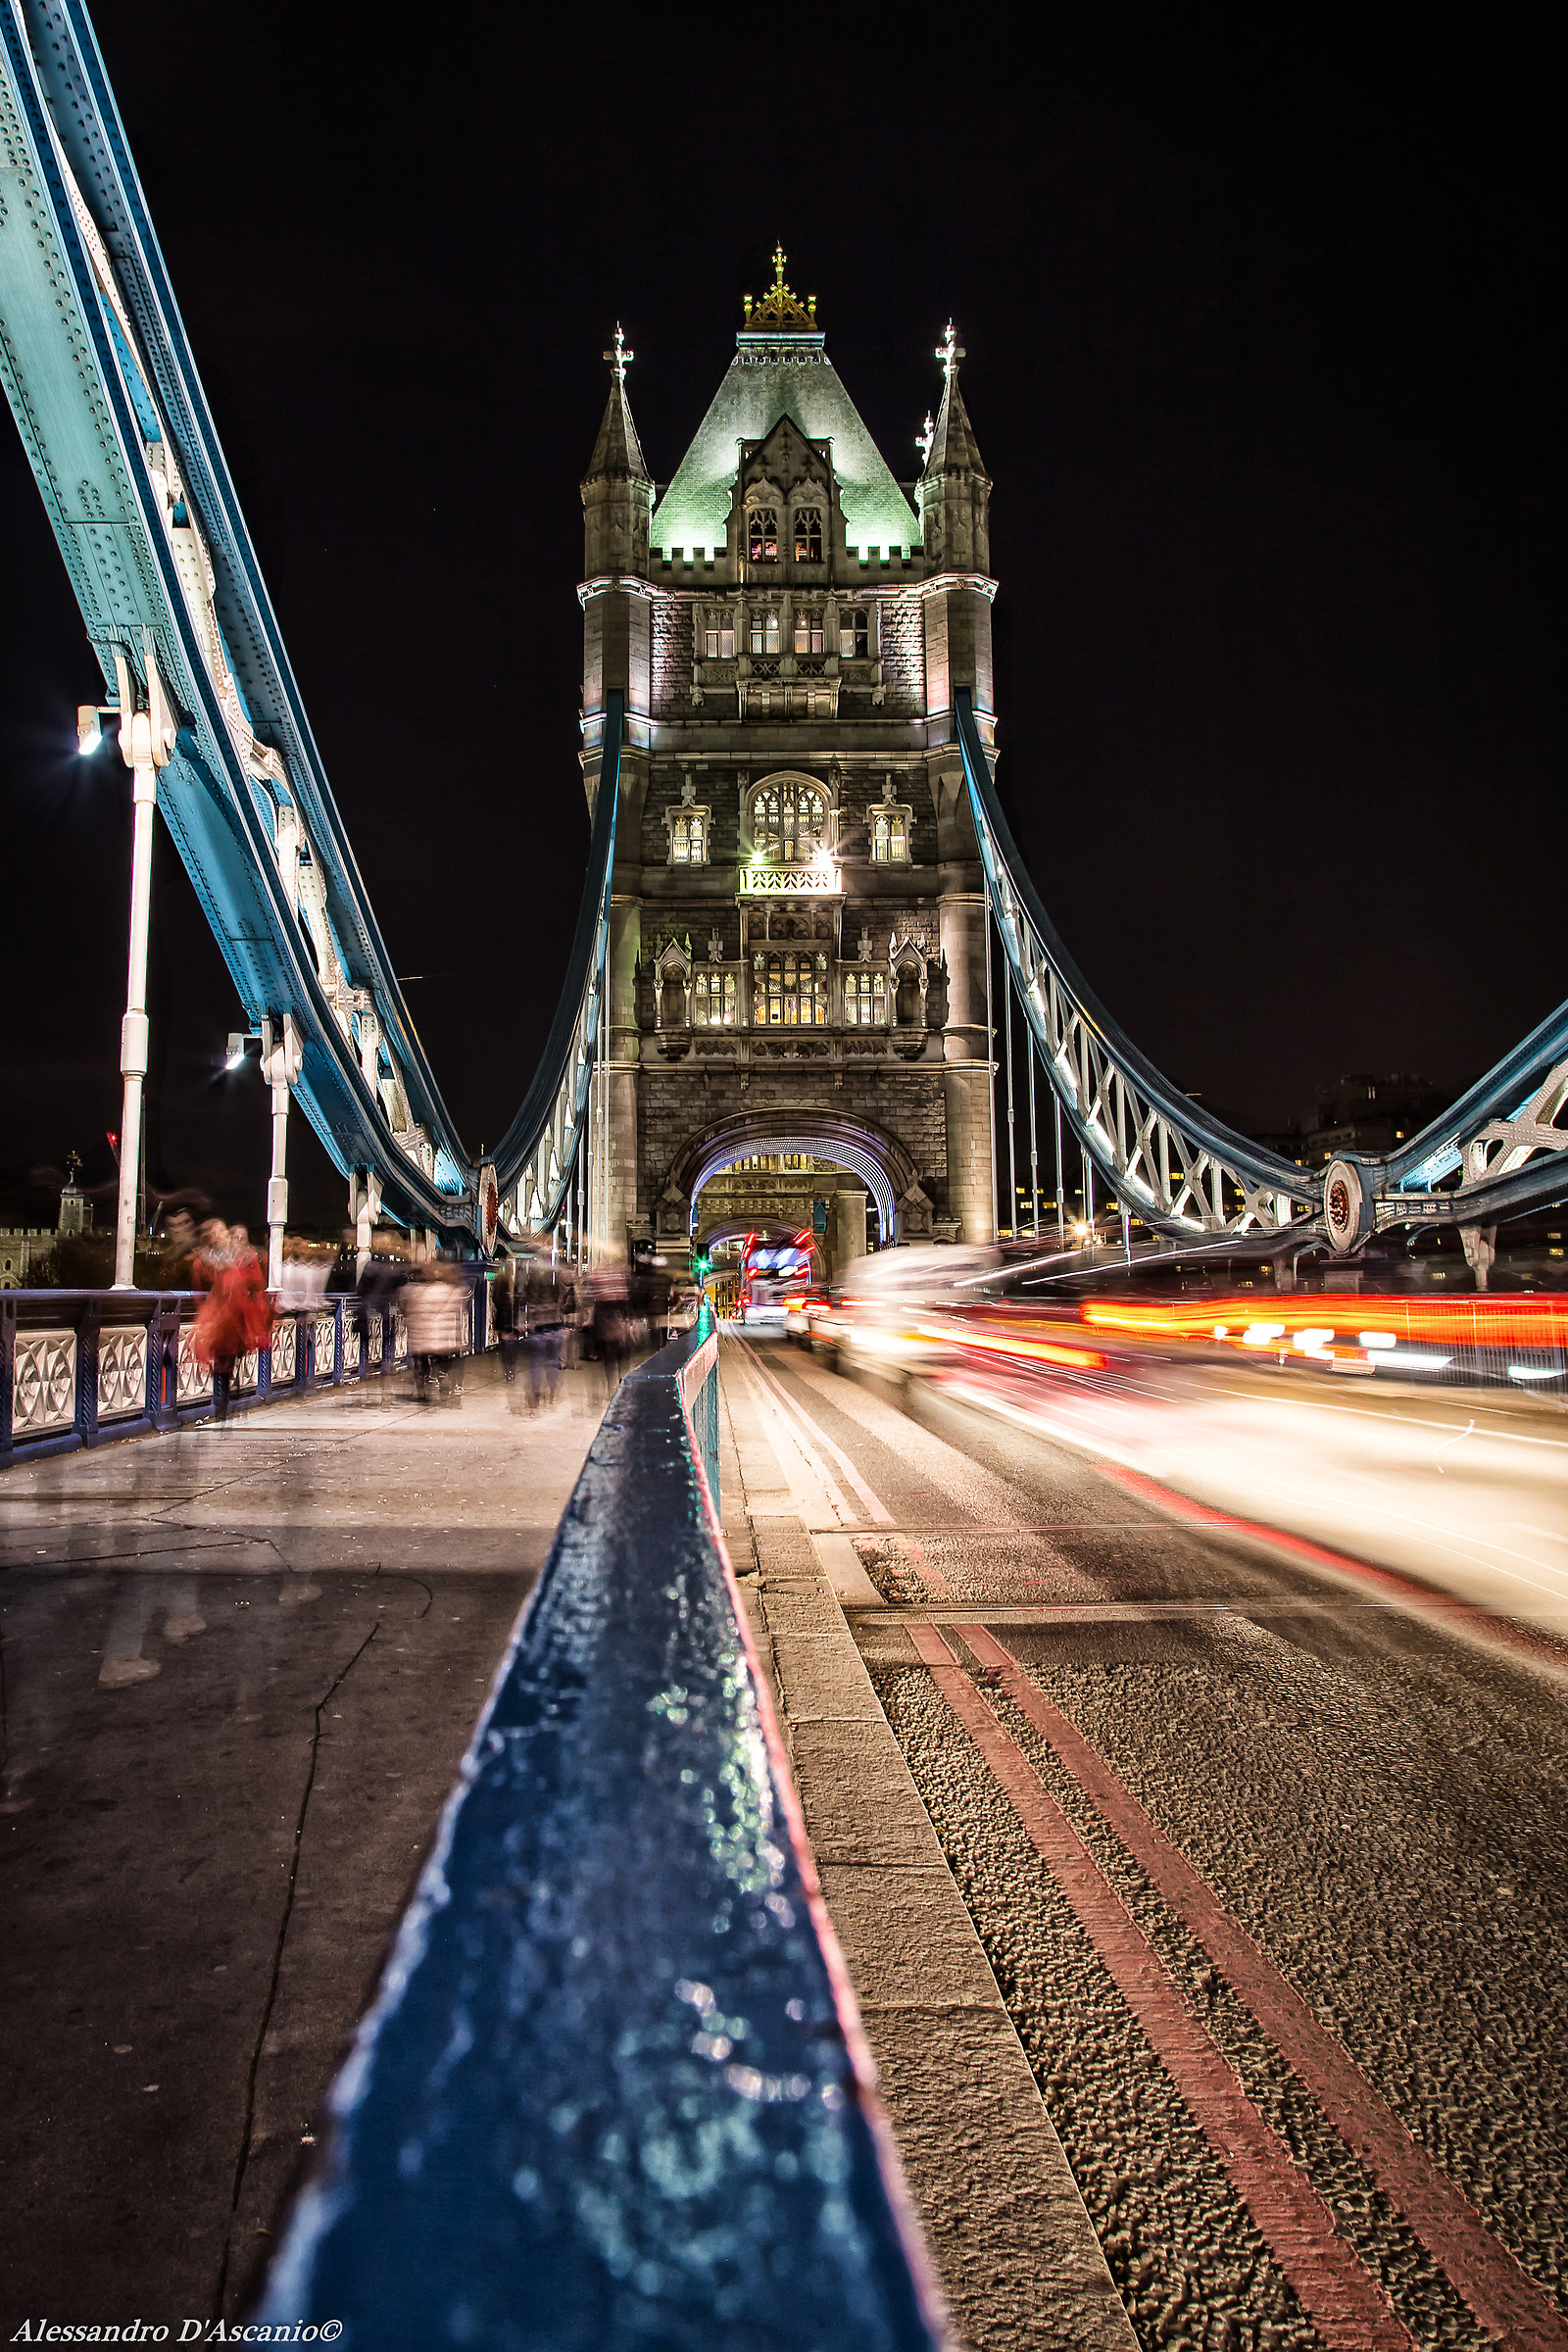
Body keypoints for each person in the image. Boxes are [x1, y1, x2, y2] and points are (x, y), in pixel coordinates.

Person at [192, 1222, 270, 1424]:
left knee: (227, 1358)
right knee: (222, 1359)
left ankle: (224, 1399)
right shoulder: (213, 1260)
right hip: (223, 1317)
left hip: (236, 1317)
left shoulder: (244, 1259)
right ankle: (222, 1400)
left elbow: (257, 1286)